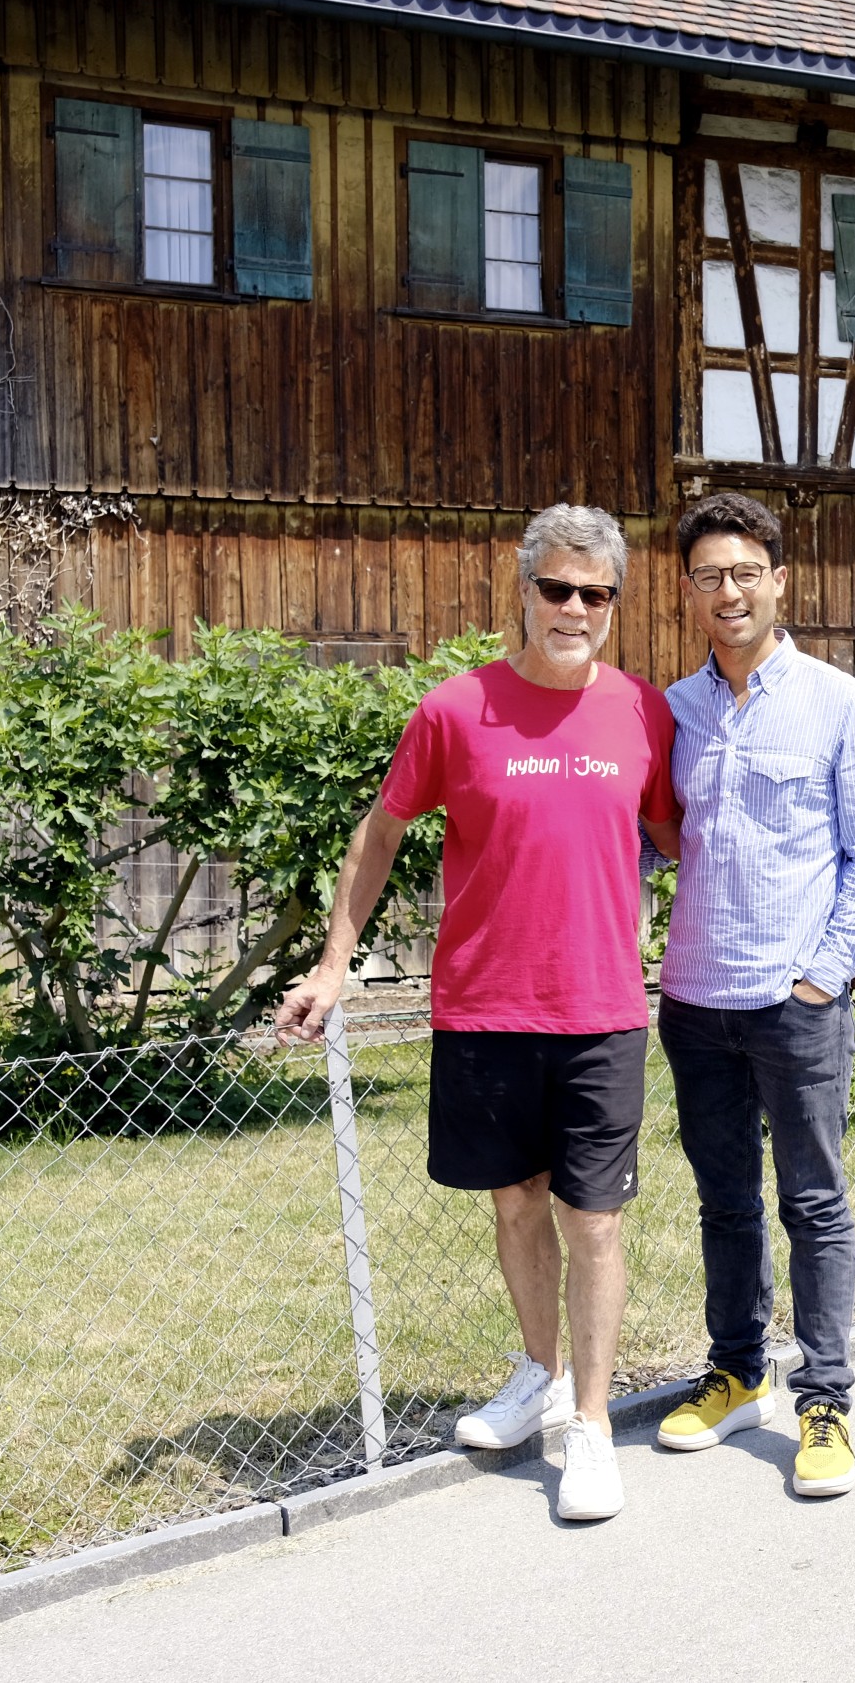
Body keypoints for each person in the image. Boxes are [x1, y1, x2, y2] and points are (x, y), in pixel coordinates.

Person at [276, 504, 678, 1524]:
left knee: (594, 1220)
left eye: (596, 594)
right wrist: (333, 967)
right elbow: (381, 835)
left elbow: (687, 836)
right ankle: (539, 1374)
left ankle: (589, 1424)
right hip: (486, 1007)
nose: (575, 609)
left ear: (613, 604)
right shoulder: (456, 710)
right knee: (515, 1204)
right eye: (557, 588)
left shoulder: (640, 712)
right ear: (523, 589)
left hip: (600, 1012)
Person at [649, 491, 855, 1498]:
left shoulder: (841, 705)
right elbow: (641, 838)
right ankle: (737, 1369)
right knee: (722, 1201)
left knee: (812, 1201)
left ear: (779, 581)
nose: (729, 591)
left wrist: (816, 979)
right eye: (710, 575)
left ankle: (825, 1400)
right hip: (694, 1001)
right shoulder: (671, 711)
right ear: (689, 590)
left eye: (745, 572)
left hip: (794, 1005)